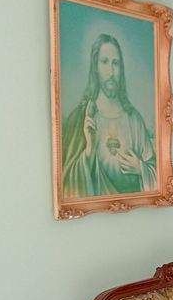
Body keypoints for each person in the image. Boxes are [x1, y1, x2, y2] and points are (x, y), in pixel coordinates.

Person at [62, 33, 156, 198]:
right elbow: (66, 184)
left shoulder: (133, 119)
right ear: (95, 68)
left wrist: (141, 169)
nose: (111, 72)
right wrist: (89, 151)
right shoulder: (80, 118)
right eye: (104, 62)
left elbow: (157, 173)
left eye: (116, 63)